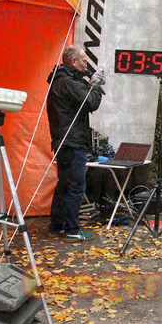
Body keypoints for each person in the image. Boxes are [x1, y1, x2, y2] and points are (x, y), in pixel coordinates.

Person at [46, 44, 105, 242]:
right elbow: (91, 102)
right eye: (84, 61)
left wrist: (88, 77)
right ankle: (71, 230)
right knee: (75, 187)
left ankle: (56, 227)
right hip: (72, 142)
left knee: (64, 185)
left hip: (62, 141)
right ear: (73, 61)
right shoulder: (68, 83)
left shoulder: (60, 80)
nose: (86, 65)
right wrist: (95, 85)